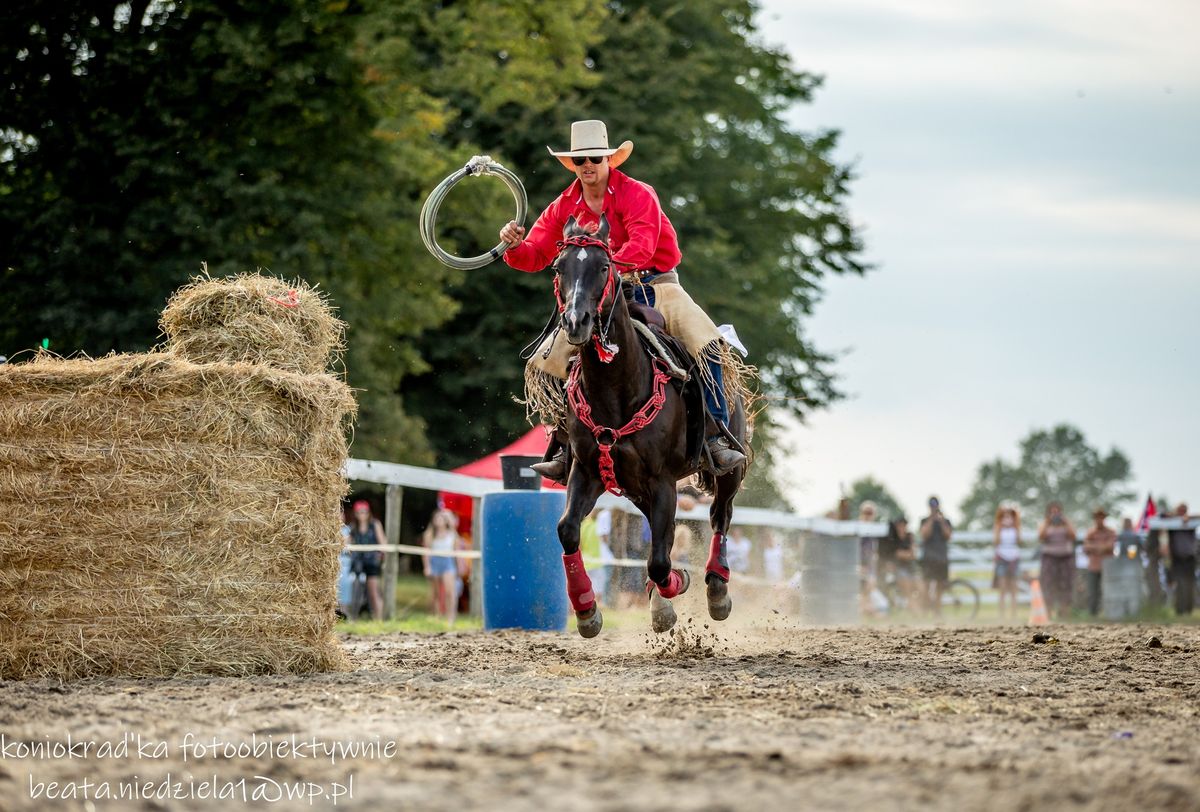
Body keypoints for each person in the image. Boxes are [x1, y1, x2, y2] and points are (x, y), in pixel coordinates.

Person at [499, 120, 748, 481]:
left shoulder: (638, 193)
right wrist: (514, 245)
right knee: (547, 360)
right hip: (598, 294)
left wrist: (603, 264)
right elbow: (535, 254)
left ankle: (715, 437)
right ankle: (564, 442)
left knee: (705, 344)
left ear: (608, 159)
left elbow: (643, 246)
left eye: (595, 157)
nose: (588, 165)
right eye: (581, 159)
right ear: (573, 164)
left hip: (655, 285)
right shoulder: (563, 205)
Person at [423, 508, 464, 625]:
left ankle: (450, 618)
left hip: (448, 563)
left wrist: (459, 566)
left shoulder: (452, 535)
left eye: (442, 518)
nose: (439, 520)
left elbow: (457, 552)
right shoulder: (430, 535)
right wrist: (427, 567)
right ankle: (436, 616)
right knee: (435, 593)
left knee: (449, 592)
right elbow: (426, 552)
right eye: (437, 518)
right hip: (435, 562)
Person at [1037, 501, 1077, 621]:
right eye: (1052, 512)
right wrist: (1048, 522)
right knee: (1048, 585)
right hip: (1049, 558)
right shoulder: (1045, 523)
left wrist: (1066, 521)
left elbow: (1073, 536)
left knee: (1065, 586)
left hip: (1065, 558)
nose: (1055, 514)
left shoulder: (1066, 524)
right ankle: (1048, 613)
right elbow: (1041, 537)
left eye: (1057, 511)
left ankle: (1065, 613)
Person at [347, 500, 385, 621]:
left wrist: (381, 556)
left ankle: (379, 618)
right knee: (355, 591)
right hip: (358, 563)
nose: (362, 514)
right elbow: (348, 544)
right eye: (359, 512)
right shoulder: (353, 527)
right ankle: (353, 618)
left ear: (368, 513)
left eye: (364, 512)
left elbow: (382, 542)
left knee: (374, 592)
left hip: (372, 563)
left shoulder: (375, 524)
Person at [919, 496, 953, 617]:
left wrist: (942, 521)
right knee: (925, 586)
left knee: (940, 587)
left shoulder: (946, 521)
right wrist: (932, 519)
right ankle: (925, 612)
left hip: (941, 558)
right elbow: (924, 534)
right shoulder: (924, 520)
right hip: (928, 558)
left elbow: (948, 535)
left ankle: (937, 612)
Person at [1164, 503, 1198, 616]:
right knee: (1178, 584)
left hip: (1190, 558)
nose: (1182, 512)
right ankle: (1179, 610)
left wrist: (1189, 518)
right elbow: (1161, 516)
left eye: (1184, 510)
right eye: (1180, 510)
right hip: (1177, 558)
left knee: (1189, 584)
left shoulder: (1191, 522)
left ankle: (1188, 610)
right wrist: (1173, 516)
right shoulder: (1172, 523)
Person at [1082, 508, 1117, 616]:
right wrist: (1101, 547)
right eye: (1097, 517)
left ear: (1104, 519)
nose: (1099, 520)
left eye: (1101, 517)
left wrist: (1094, 547)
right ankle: (1093, 613)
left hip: (1107, 566)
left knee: (1108, 591)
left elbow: (1109, 546)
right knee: (1093, 592)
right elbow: (1086, 547)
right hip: (1093, 566)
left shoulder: (1111, 532)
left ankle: (1110, 613)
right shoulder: (1090, 532)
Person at [993, 504, 1022, 622]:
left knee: (1014, 588)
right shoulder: (998, 527)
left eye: (1009, 516)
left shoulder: (1016, 528)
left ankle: (1014, 614)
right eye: (1004, 516)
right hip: (1002, 558)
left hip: (1014, 558)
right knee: (1003, 588)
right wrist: (1000, 528)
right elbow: (996, 541)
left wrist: (1016, 526)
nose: (1007, 519)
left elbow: (1020, 541)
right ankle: (1002, 615)